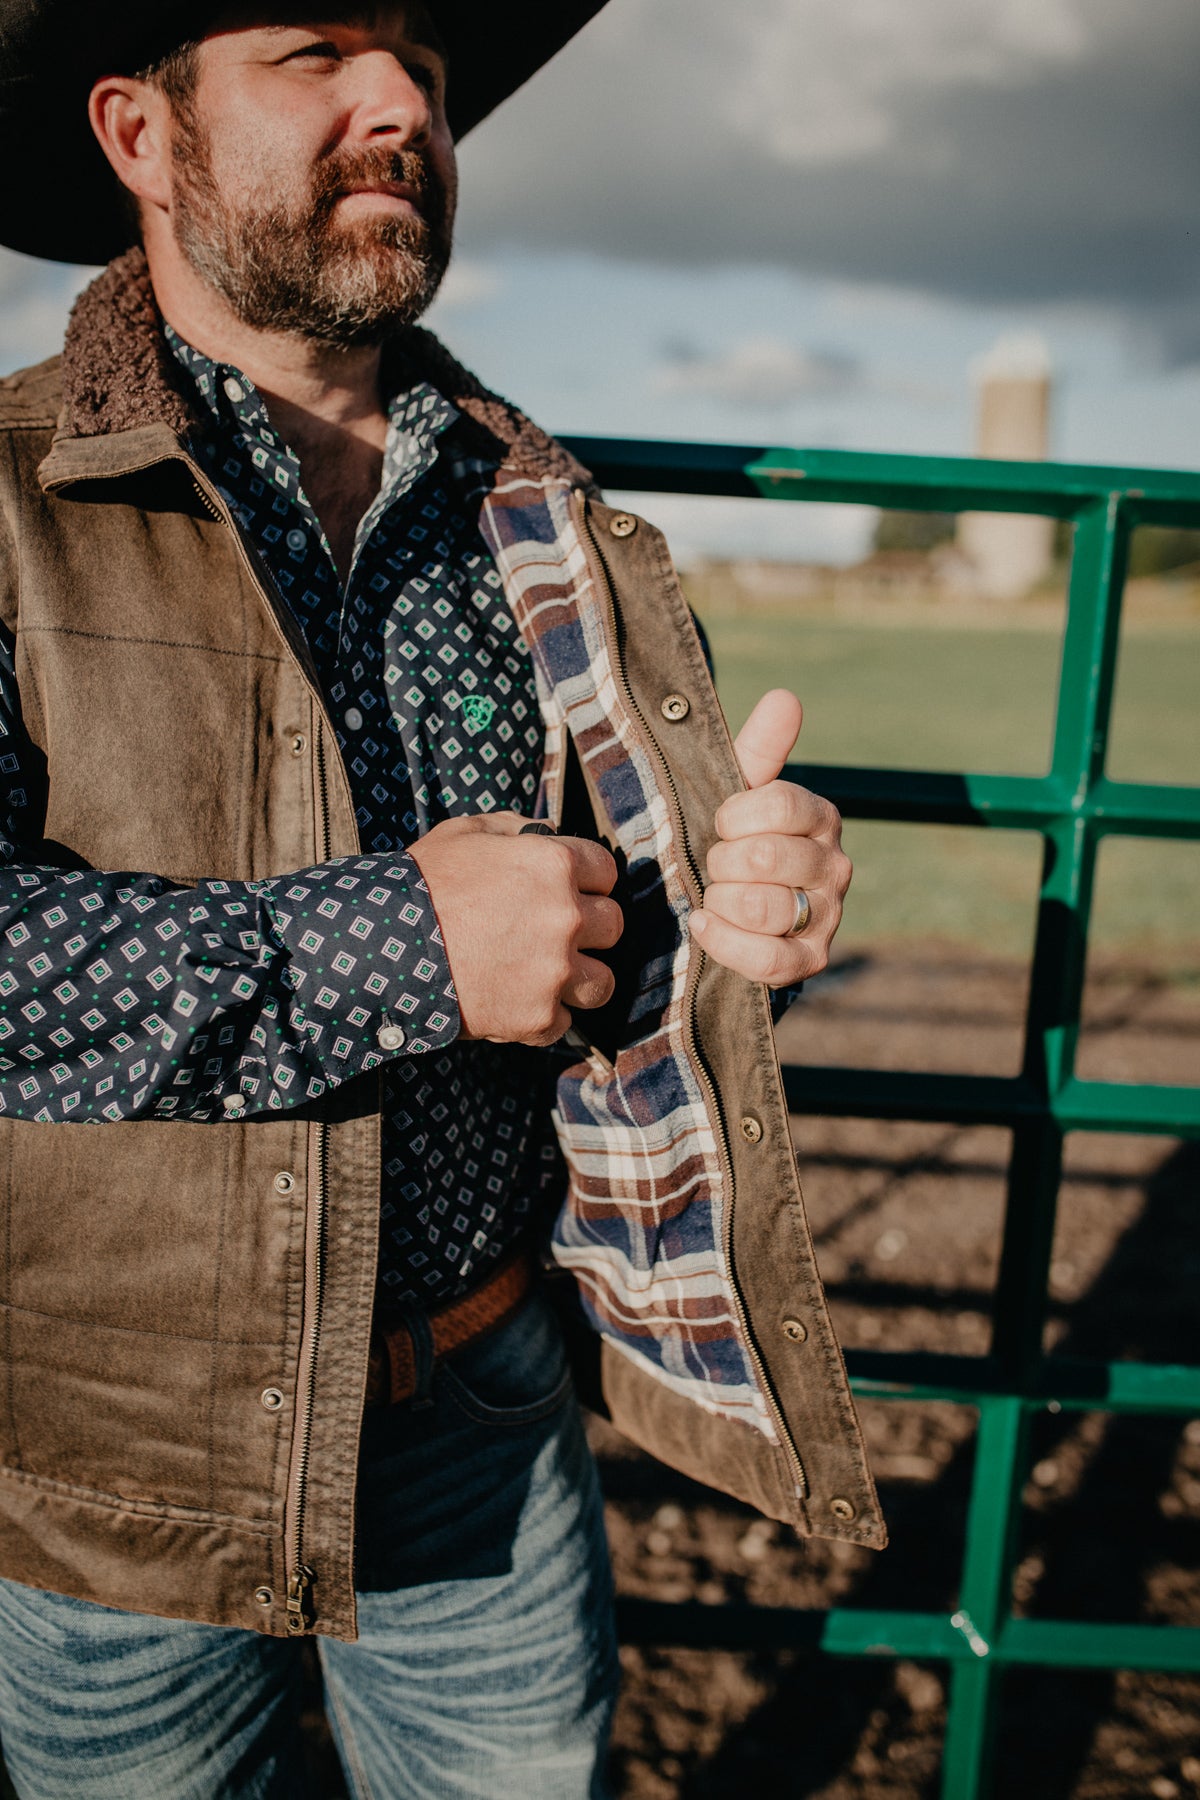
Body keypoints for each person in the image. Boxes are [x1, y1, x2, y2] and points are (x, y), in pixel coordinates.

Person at [0, 4, 883, 1794]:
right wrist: (409, 946)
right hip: (121, 1465)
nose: (404, 102)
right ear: (140, 137)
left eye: (421, 68)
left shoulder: (550, 519)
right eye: (316, 52)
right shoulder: (6, 505)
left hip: (488, 1410)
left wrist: (737, 931)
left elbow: (590, 961)